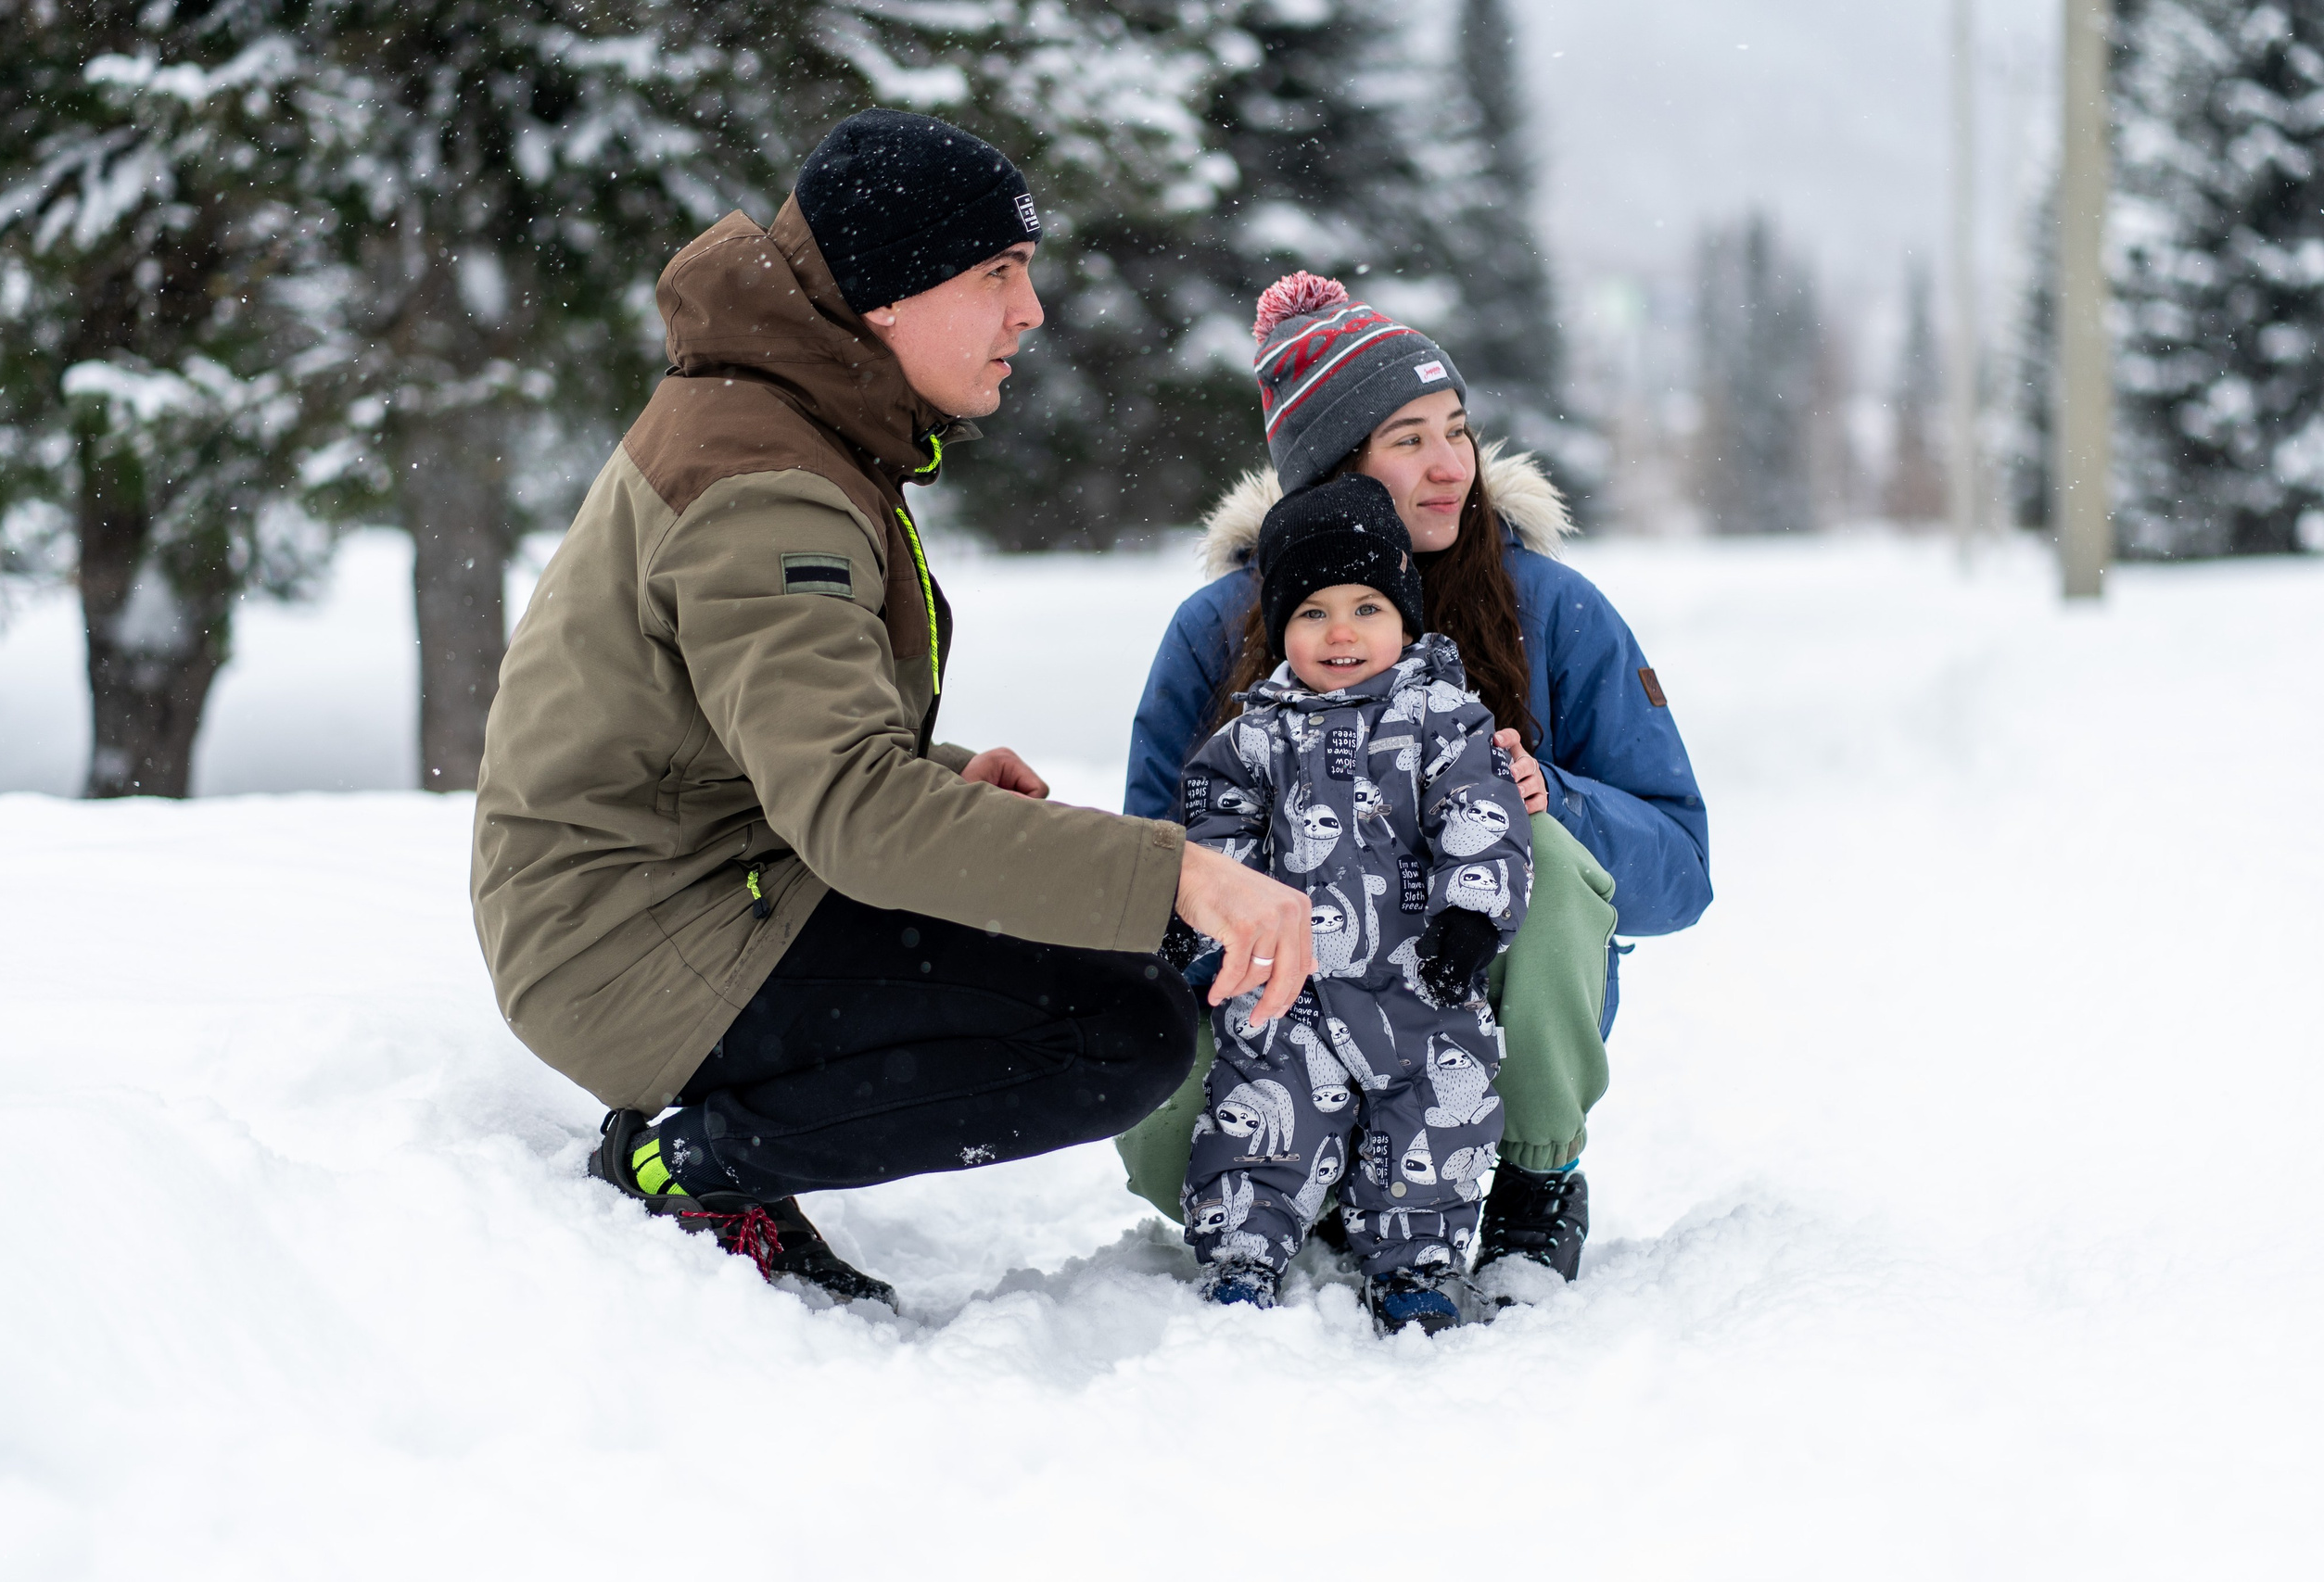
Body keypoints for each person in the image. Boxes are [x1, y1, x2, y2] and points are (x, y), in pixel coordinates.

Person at [469, 109, 1312, 1308]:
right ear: (884, 298)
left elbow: (749, 732)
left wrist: (944, 771)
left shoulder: (790, 421)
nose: (1030, 312)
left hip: (705, 877)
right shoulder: (769, 483)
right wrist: (1175, 869)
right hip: (627, 939)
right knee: (1115, 1029)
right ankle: (689, 1167)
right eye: (997, 275)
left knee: (1115, 943)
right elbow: (855, 812)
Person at [1118, 272, 1711, 1285]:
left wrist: (1550, 798)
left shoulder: (1552, 609)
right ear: (1331, 467)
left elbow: (1679, 874)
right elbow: (1148, 872)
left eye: (1456, 428)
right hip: (1276, 1032)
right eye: (1407, 439)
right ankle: (1271, 1179)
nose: (1449, 466)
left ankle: (1532, 1178)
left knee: (1552, 859)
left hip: (1449, 1028)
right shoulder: (1218, 627)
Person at [1171, 475, 1534, 1335]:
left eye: (1367, 607)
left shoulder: (1447, 721)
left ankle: (1417, 1264)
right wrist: (1206, 933)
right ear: (1283, 629)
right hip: (1287, 987)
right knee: (1260, 1117)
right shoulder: (1253, 734)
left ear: (1405, 618)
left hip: (1421, 982)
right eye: (1313, 612)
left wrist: (1472, 914)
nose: (1340, 632)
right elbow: (1215, 833)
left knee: (1438, 1125)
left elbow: (1481, 816)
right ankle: (1242, 1254)